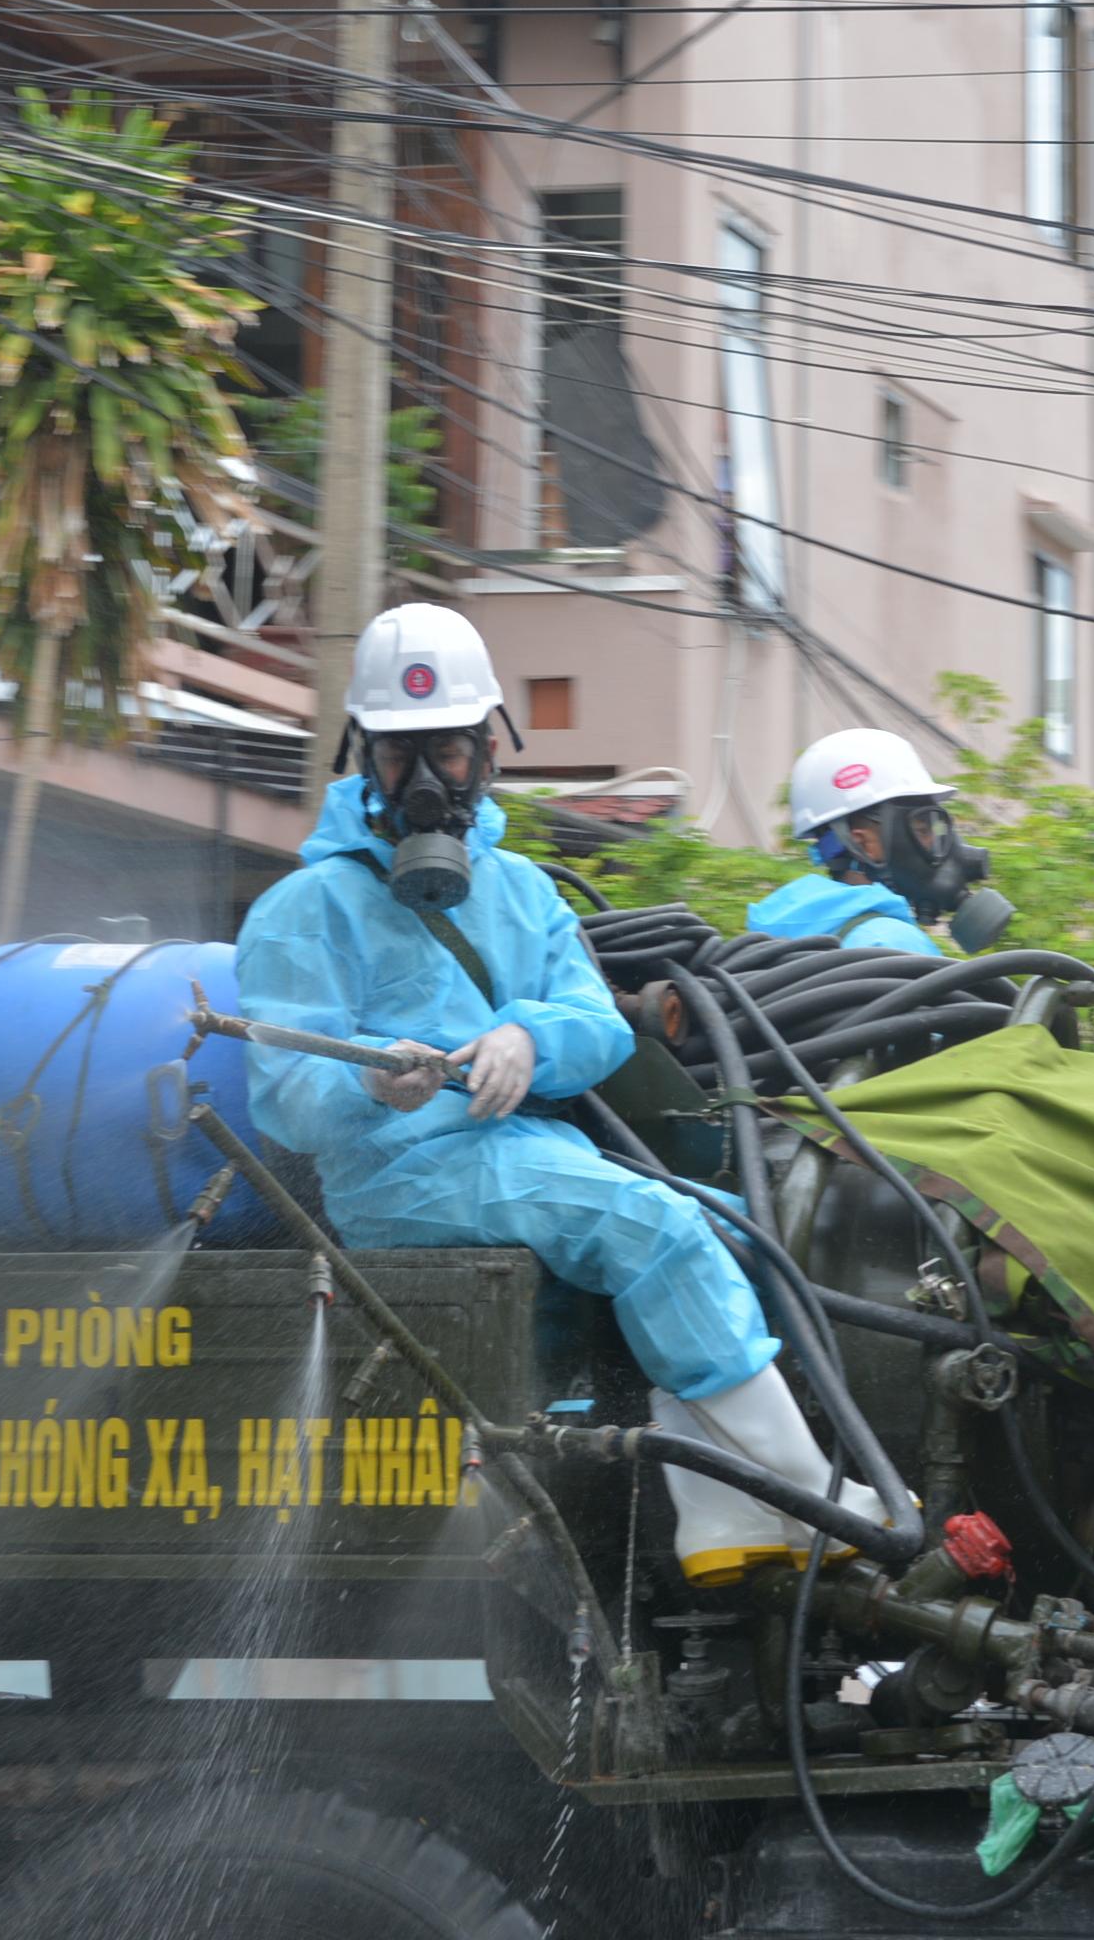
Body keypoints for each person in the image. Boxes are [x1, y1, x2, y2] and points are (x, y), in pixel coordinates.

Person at [234, 602, 886, 1584]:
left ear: (490, 748)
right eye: (400, 754)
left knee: (731, 1225)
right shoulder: (305, 906)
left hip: (526, 1159)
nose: (423, 782)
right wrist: (370, 1076)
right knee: (653, 1230)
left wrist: (526, 1038)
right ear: (360, 755)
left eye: (448, 750)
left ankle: (719, 1513)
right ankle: (812, 1496)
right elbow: (280, 1091)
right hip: (399, 1182)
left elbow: (597, 1022)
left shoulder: (525, 890)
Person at [747, 728, 1014, 955]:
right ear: (864, 845)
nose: (938, 843)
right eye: (922, 829)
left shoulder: (774, 943)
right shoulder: (892, 943)